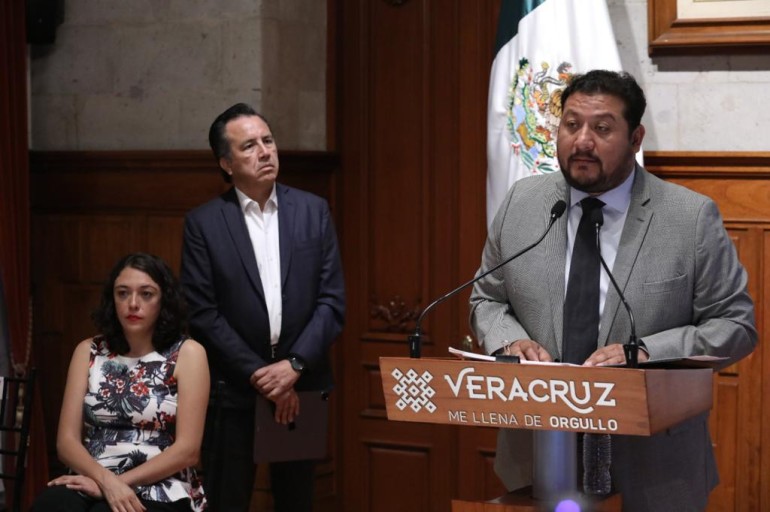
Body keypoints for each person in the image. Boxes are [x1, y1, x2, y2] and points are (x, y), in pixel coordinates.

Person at [469, 70, 756, 511]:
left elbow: (736, 327)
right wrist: (510, 341)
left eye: (602, 128)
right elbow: (486, 299)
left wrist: (646, 352)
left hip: (654, 467)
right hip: (536, 459)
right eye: (571, 124)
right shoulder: (522, 204)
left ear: (635, 138)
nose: (582, 141)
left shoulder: (689, 217)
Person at [180, 103, 345, 511]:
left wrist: (293, 367)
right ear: (226, 163)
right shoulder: (204, 223)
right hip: (234, 390)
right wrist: (260, 375)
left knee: (296, 501)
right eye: (249, 146)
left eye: (268, 141)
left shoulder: (313, 210)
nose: (265, 151)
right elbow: (203, 313)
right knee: (228, 501)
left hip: (302, 384)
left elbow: (331, 301)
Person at [32, 253, 209, 512]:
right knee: (51, 506)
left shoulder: (188, 353)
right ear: (112, 299)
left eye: (146, 294)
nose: (133, 303)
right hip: (93, 476)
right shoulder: (88, 350)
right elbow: (66, 442)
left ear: (164, 300)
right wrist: (105, 482)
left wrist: (116, 485)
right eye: (123, 293)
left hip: (162, 484)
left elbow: (188, 450)